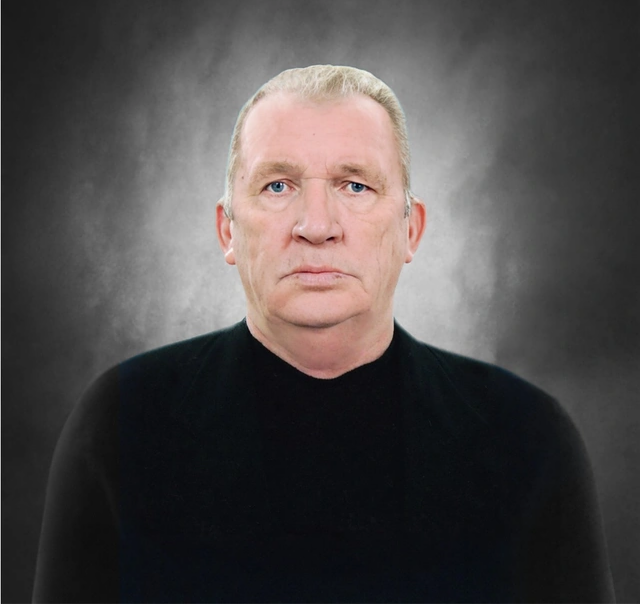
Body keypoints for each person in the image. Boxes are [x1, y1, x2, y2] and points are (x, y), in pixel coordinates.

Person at [33, 65, 615, 603]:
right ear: (228, 230)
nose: (316, 226)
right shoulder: (120, 424)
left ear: (410, 231)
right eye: (278, 186)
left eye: (355, 186)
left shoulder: (528, 439)